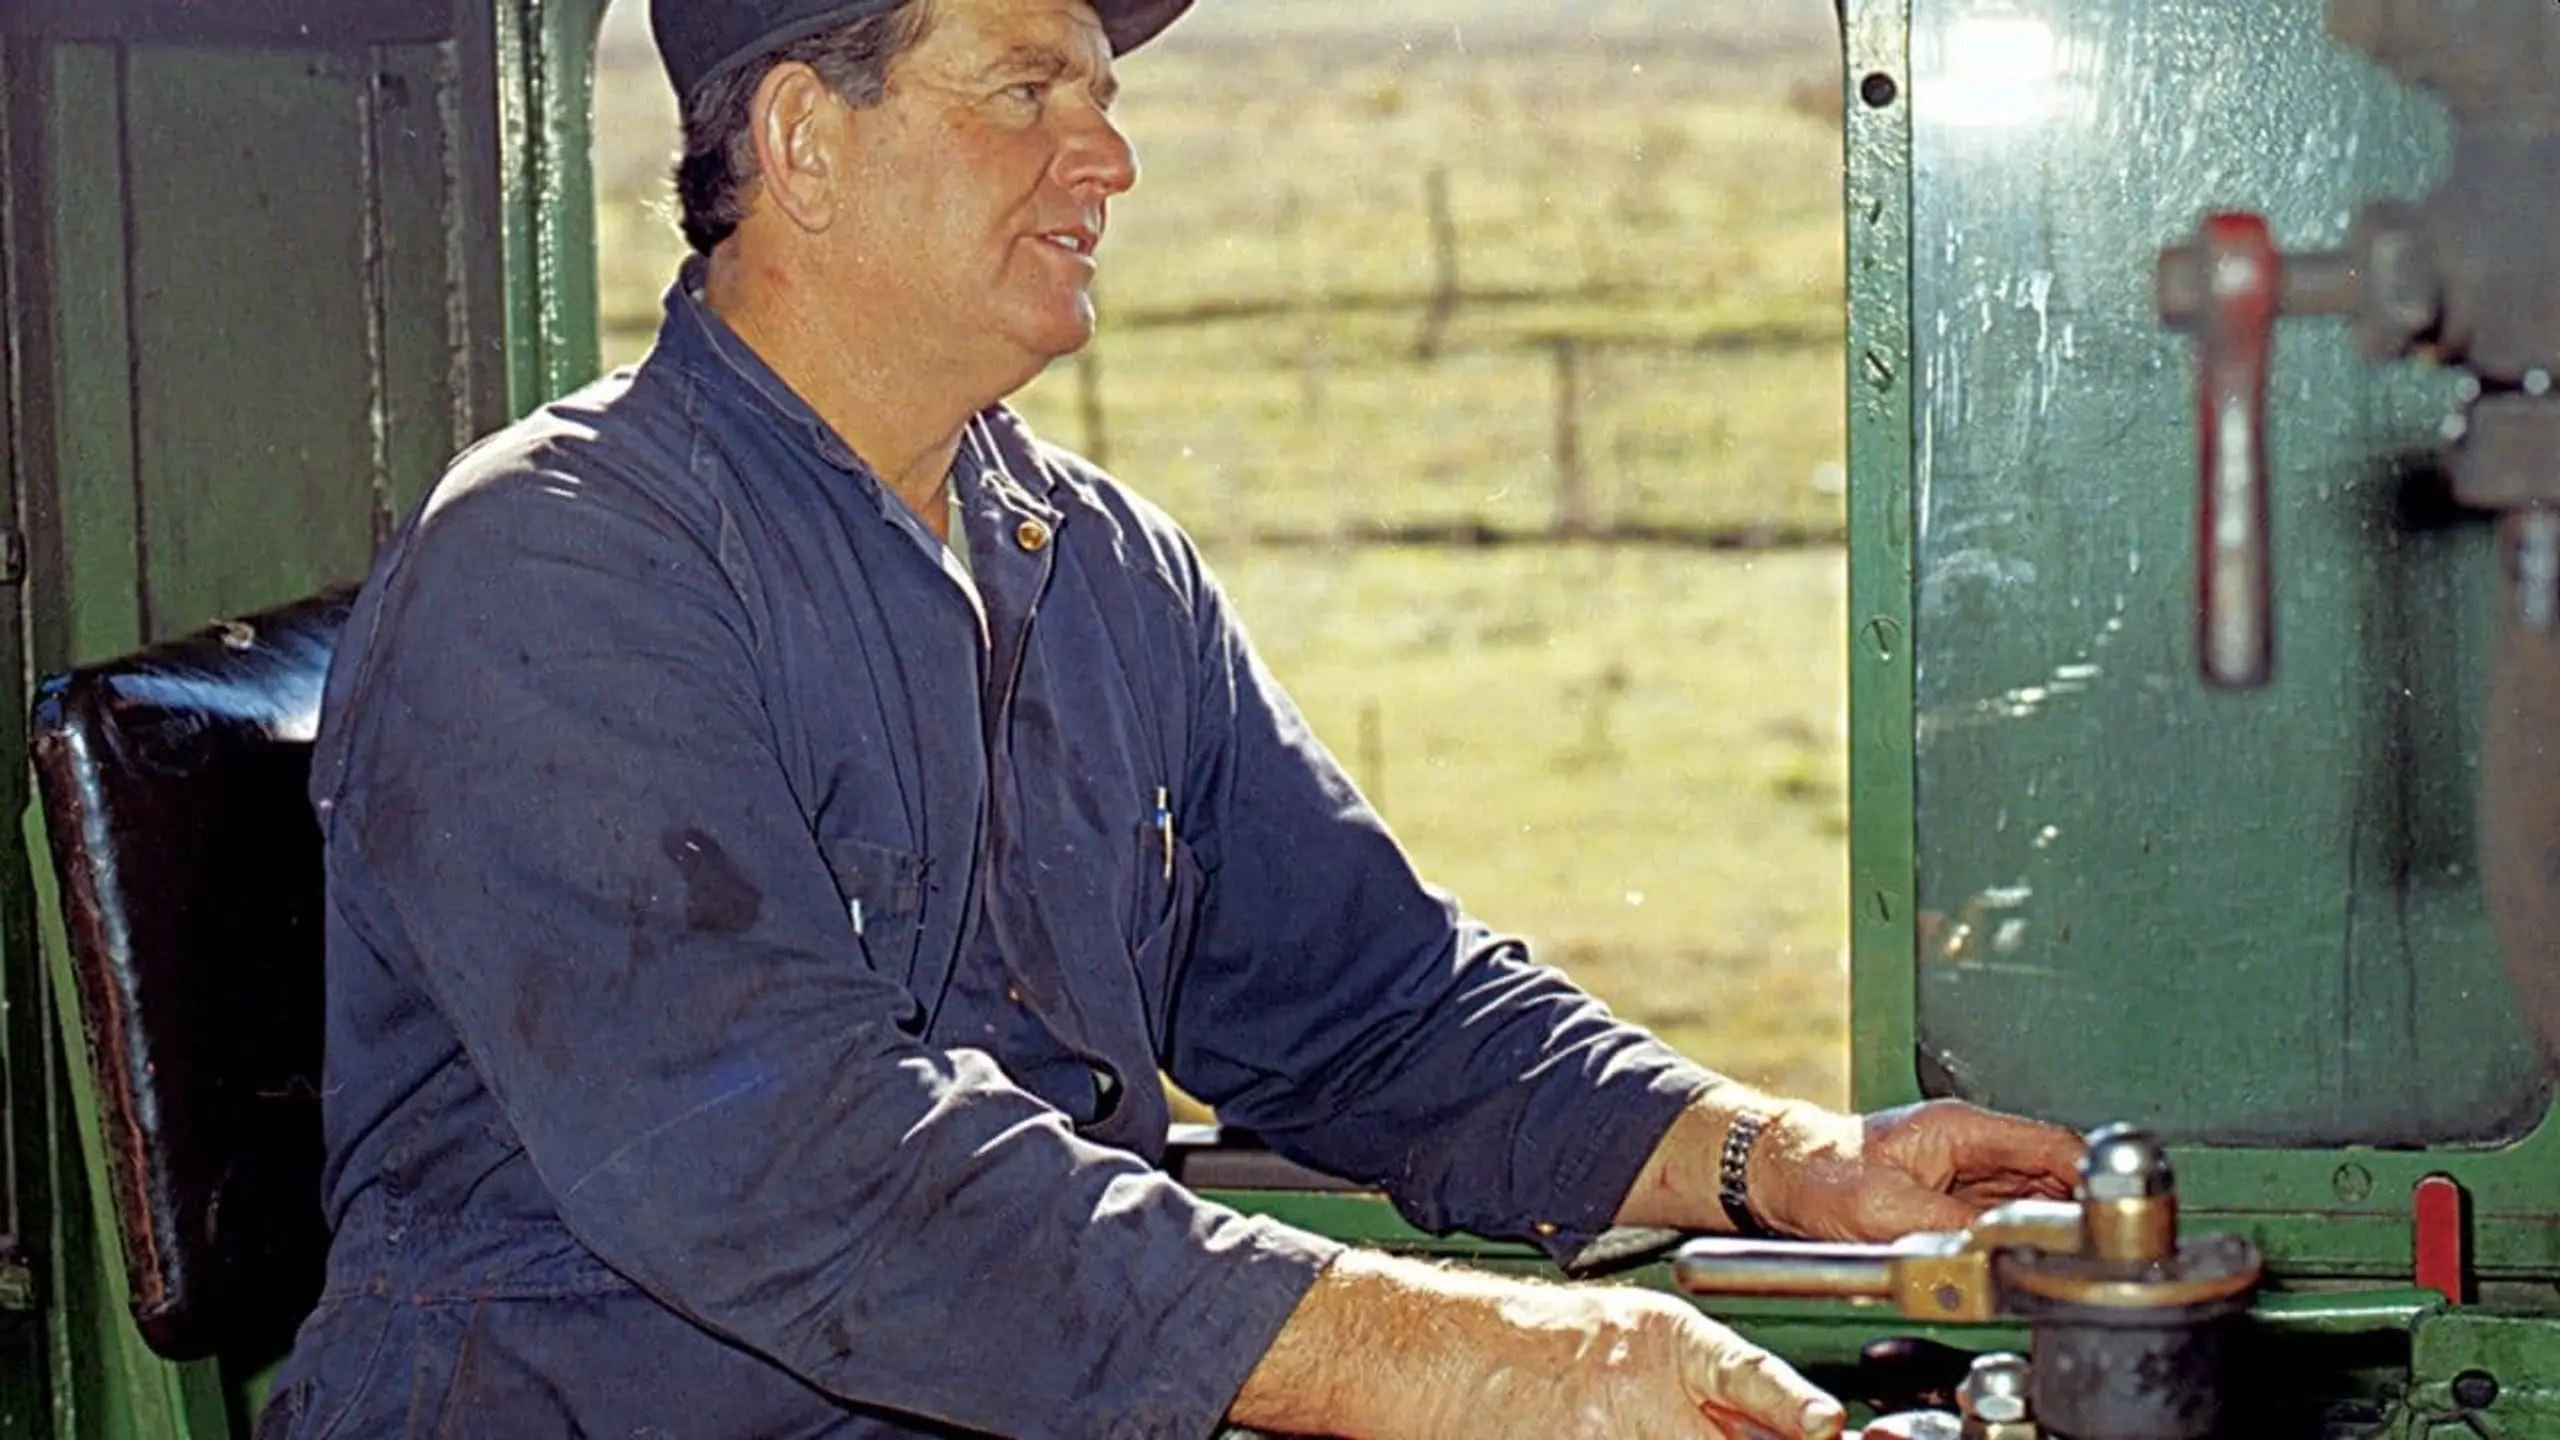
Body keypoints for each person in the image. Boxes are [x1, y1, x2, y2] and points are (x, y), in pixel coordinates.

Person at [257, 0, 2085, 1436]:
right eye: (1029, 88)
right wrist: (1478, 1361)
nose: (1108, 154)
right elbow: (808, 1171)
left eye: (1103, 90)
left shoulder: (1097, 563)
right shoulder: (557, 569)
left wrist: (1778, 1162)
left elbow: (1377, 1009)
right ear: (807, 140)